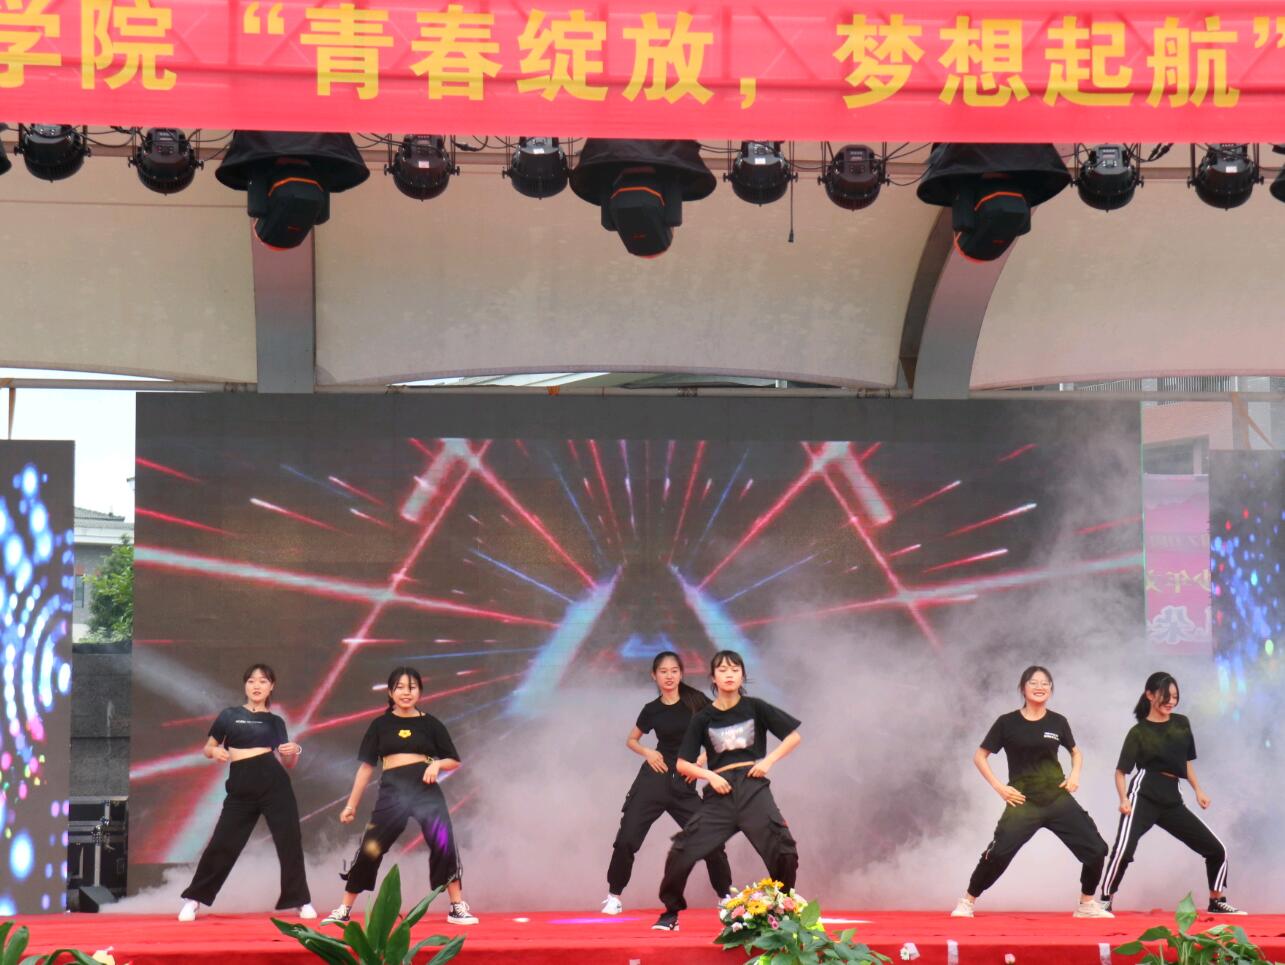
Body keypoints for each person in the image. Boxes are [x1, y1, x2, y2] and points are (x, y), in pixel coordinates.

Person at [653, 650, 801, 932]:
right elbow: (683, 764)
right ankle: (670, 913)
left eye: (734, 669)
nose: (729, 674)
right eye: (722, 670)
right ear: (713, 678)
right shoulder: (703, 718)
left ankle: (783, 909)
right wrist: (709, 775)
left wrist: (768, 761)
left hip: (752, 788)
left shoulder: (756, 708)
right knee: (681, 851)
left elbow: (793, 737)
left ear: (742, 676)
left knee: (784, 850)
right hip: (719, 793)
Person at [951, 666, 1112, 919]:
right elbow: (979, 756)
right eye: (1034, 682)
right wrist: (1000, 788)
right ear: (1023, 688)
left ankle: (1086, 904)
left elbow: (1075, 752)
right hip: (1023, 801)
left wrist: (1074, 775)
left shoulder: (1058, 721)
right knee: (999, 853)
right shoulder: (1007, 722)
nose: (1040, 687)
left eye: (1045, 683)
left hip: (1057, 798)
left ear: (1051, 689)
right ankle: (967, 901)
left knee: (1097, 849)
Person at [322, 666, 478, 927]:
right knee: (371, 846)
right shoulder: (380, 725)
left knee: (443, 843)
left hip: (426, 790)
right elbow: (365, 768)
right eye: (400, 687)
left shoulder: (431, 724)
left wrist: (437, 765)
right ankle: (344, 908)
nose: (406, 692)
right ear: (390, 692)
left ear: (420, 691)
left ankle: (456, 906)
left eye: (412, 687)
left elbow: (453, 760)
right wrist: (351, 805)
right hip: (393, 791)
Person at [1099, 672, 1244, 914]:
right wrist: (1123, 799)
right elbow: (1120, 772)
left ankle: (1216, 900)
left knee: (1217, 849)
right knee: (1124, 850)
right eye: (1166, 696)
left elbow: (1185, 763)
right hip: (1143, 794)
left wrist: (1198, 790)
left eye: (1175, 697)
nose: (1171, 701)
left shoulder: (1181, 723)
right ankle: (1105, 899)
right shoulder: (1139, 732)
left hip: (1171, 798)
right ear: (1149, 695)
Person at [178, 664, 314, 921]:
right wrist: (215, 751)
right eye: (251, 681)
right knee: (222, 843)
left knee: (290, 842)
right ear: (245, 685)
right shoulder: (229, 715)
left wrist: (293, 751)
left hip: (274, 784)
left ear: (271, 686)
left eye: (263, 681)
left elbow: (287, 761)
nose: (256, 686)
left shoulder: (275, 721)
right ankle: (194, 899)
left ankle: (301, 900)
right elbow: (208, 747)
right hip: (241, 785)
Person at [602, 651, 733, 915]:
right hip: (654, 780)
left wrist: (701, 760)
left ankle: (726, 898)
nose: (669, 676)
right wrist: (648, 753)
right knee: (627, 839)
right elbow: (631, 740)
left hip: (684, 782)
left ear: (681, 673)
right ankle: (613, 896)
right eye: (663, 672)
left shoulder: (696, 701)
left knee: (711, 839)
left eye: (674, 671)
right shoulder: (652, 709)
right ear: (654, 676)